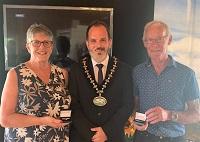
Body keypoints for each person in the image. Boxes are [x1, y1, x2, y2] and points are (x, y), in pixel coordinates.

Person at [0, 24, 71, 142]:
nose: (42, 47)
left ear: (52, 46)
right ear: (28, 47)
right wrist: (42, 121)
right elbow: (5, 119)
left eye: (46, 43)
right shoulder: (15, 74)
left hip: (57, 138)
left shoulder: (62, 74)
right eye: (36, 42)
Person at [132, 20, 200, 142]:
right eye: (149, 40)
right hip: (144, 137)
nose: (154, 44)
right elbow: (135, 106)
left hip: (174, 139)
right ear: (144, 43)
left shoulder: (187, 74)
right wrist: (136, 120)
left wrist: (168, 115)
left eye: (159, 39)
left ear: (169, 39)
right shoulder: (138, 72)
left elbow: (196, 114)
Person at [69, 20, 135, 142]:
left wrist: (107, 131)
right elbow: (73, 106)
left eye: (103, 40)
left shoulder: (125, 71)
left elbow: (127, 104)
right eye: (93, 41)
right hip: (82, 137)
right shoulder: (75, 70)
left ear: (109, 42)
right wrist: (92, 135)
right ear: (87, 44)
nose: (98, 45)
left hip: (113, 137)